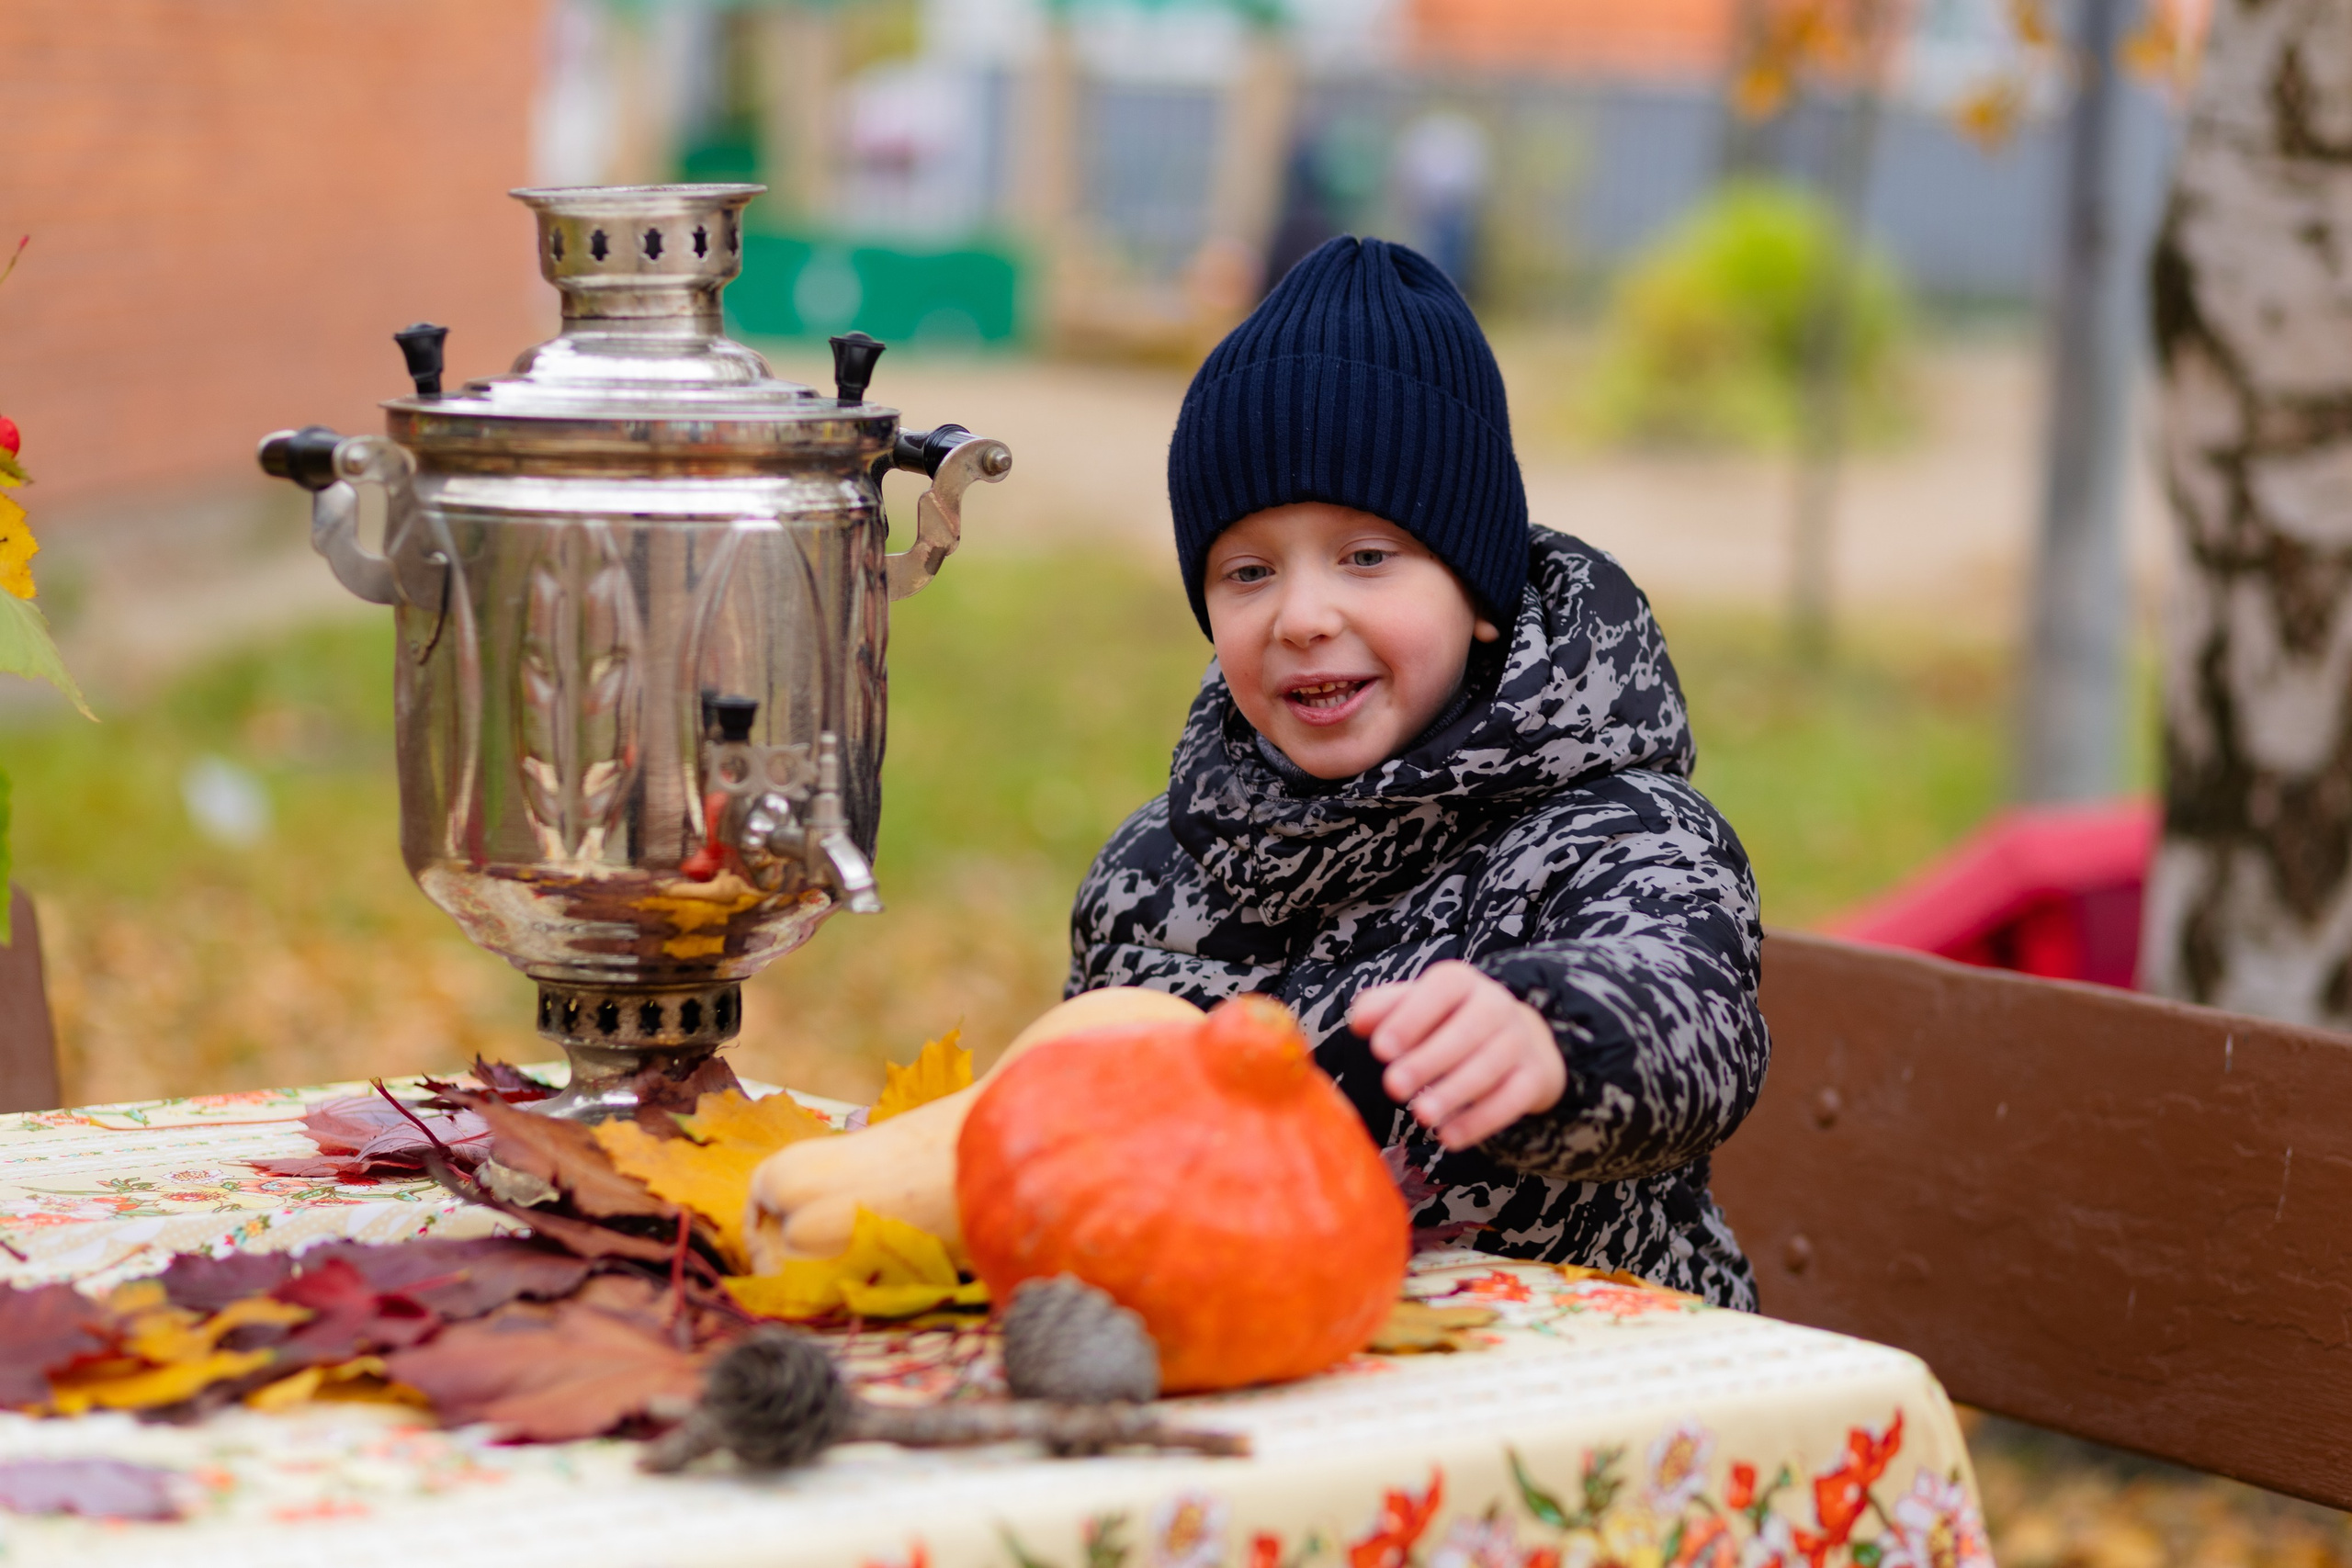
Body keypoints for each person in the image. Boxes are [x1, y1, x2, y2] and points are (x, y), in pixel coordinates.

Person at [1065, 236, 1768, 1308]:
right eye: (1248, 571)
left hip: (1594, 1408)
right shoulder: (1158, 874)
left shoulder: (1620, 833)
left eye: (1367, 557)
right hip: (1264, 1367)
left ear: (1478, 592)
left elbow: (1692, 1011)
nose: (1302, 617)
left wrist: (1557, 1030)